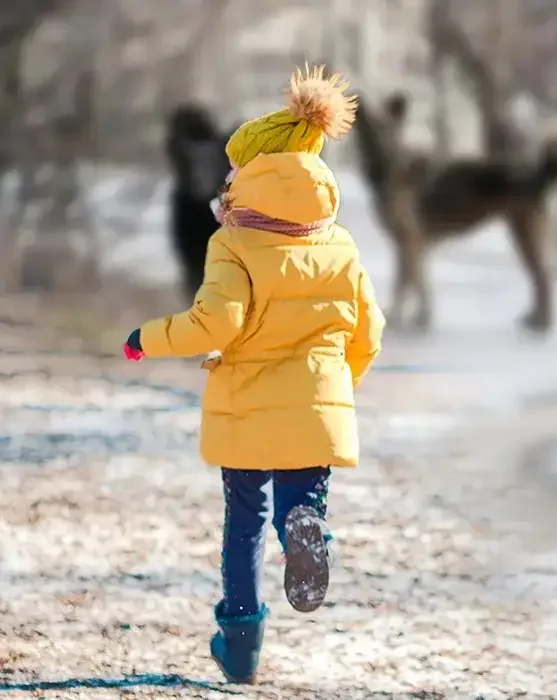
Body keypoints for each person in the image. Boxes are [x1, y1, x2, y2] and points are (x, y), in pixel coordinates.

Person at [122, 65, 385, 684]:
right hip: (313, 408)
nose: (228, 177)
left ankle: (240, 647)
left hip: (245, 408)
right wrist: (335, 389)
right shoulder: (338, 243)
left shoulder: (233, 244)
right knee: (299, 502)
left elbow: (215, 324)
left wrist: (146, 339)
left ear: (256, 172)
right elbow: (369, 332)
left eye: (235, 169)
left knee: (243, 522)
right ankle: (308, 527)